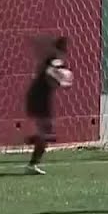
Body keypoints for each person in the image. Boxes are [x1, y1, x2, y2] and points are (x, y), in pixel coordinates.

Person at [24, 36, 72, 175]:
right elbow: (50, 72)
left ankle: (33, 145)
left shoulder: (52, 58)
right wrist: (61, 82)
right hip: (40, 100)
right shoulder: (56, 59)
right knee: (46, 133)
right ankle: (32, 164)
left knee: (46, 132)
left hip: (38, 98)